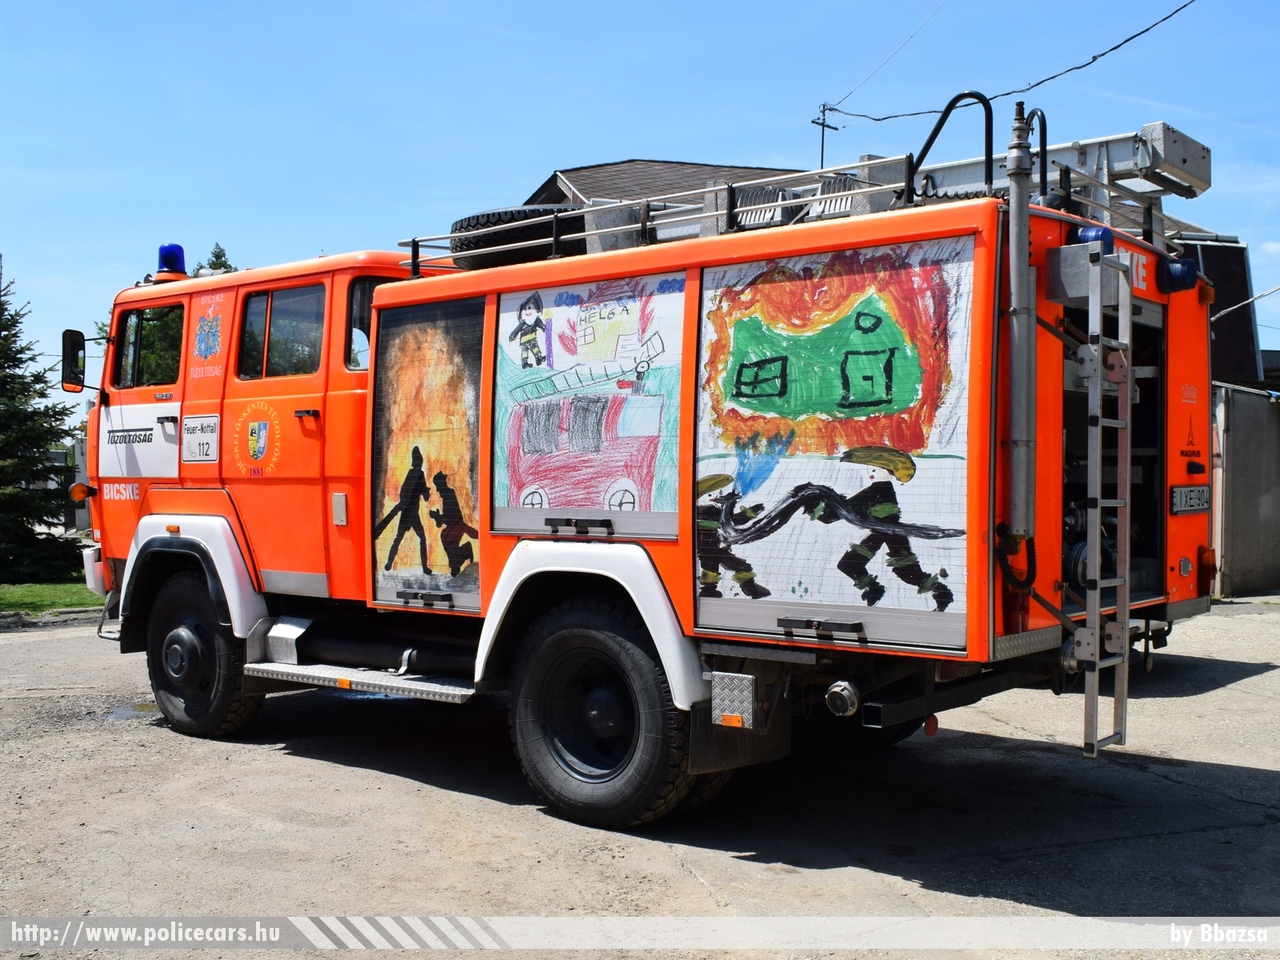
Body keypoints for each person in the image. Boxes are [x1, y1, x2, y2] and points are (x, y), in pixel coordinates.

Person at [376, 446, 431, 573]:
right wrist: (425, 491)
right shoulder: (419, 473)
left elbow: (405, 492)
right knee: (420, 538)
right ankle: (424, 567)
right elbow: (424, 496)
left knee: (398, 538)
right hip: (411, 514)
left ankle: (389, 563)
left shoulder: (412, 473)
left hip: (408, 513)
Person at [429, 472, 479, 577]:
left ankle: (464, 552)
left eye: (438, 487)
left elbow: (451, 517)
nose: (437, 490)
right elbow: (446, 519)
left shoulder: (448, 495)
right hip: (454, 526)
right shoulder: (446, 496)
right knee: (448, 541)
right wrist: (438, 517)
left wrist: (437, 516)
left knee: (446, 537)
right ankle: (463, 554)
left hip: (456, 526)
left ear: (442, 484)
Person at [509, 292, 547, 368]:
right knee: (525, 351)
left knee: (535, 348)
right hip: (524, 340)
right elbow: (517, 329)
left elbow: (542, 326)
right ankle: (525, 362)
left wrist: (545, 329)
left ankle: (539, 358)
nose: (527, 311)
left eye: (529, 308)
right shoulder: (523, 322)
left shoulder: (536, 319)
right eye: (524, 309)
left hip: (532, 338)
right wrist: (512, 336)